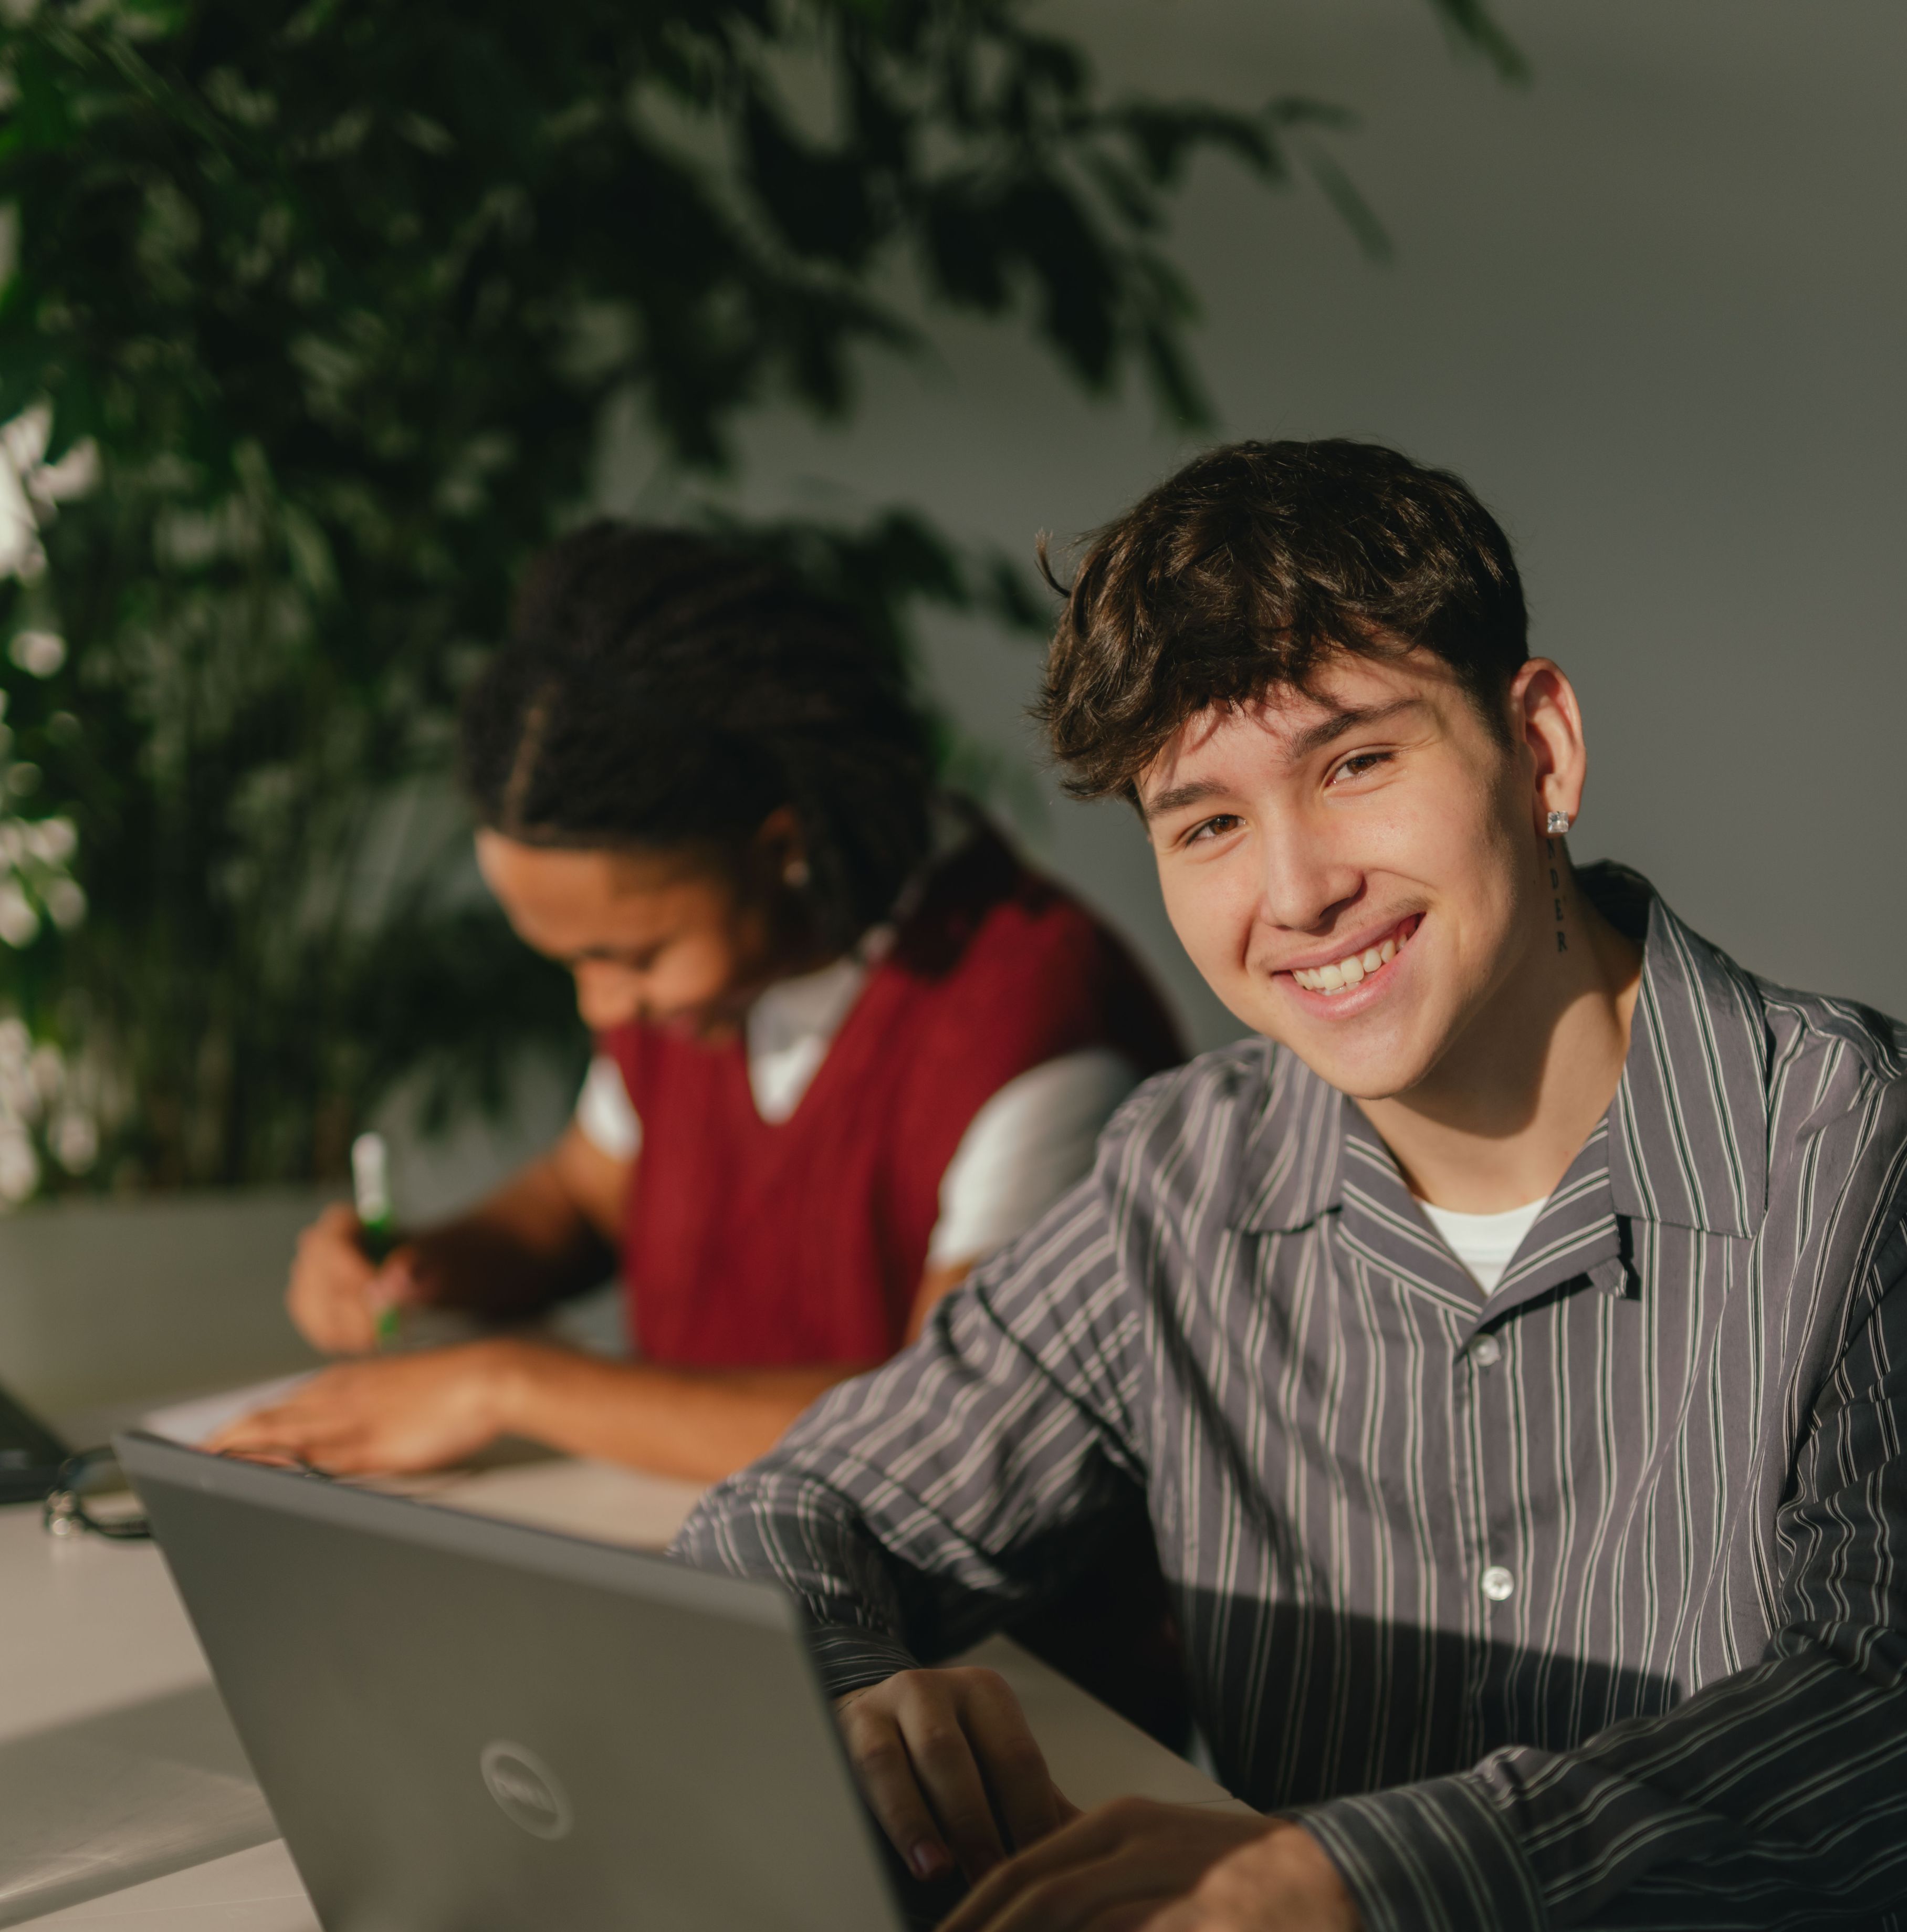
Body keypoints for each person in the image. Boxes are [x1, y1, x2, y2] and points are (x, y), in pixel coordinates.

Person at [673, 438, 1907, 1932]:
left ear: (1539, 747)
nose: (1294, 889)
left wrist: (1360, 1881)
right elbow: (795, 1512)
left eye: (1354, 761)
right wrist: (847, 1678)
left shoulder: (1890, 1162)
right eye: (1205, 820)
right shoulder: (1183, 1175)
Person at [215, 525, 1183, 1489]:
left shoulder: (1032, 1026)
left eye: (628, 957)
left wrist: (503, 1384)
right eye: (570, 961)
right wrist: (425, 1265)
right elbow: (585, 1200)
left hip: (997, 1642)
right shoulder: (717, 980)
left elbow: (954, 1428)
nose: (603, 1008)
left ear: (778, 848)